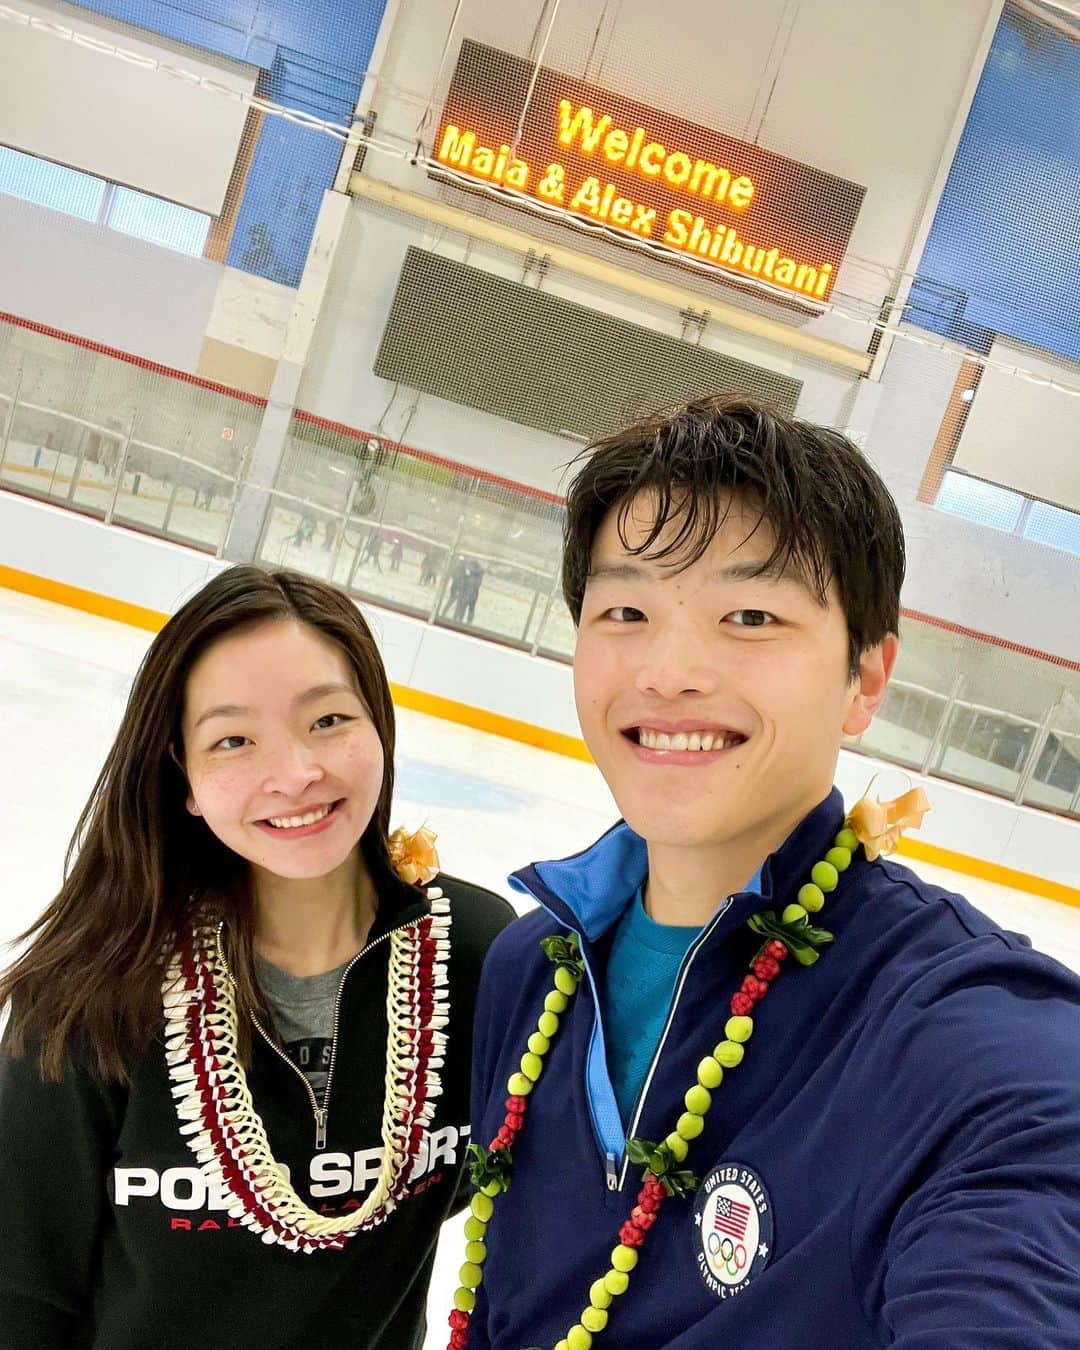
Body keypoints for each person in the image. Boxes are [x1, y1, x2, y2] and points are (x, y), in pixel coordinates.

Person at [452, 396, 1080, 1350]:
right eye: (625, 609)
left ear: (866, 678)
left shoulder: (951, 1028)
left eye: (749, 615)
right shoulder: (530, 969)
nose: (669, 670)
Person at [0, 565, 513, 1349]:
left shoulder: (474, 951)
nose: (296, 773)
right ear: (186, 780)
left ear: (380, 723)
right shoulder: (91, 992)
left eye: (328, 720)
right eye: (234, 739)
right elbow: (22, 1289)